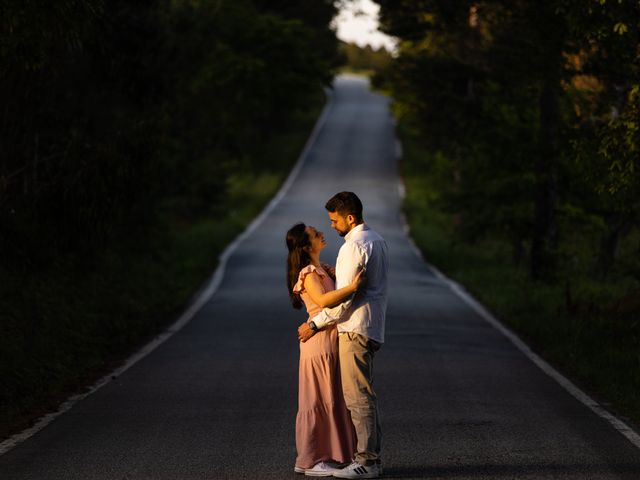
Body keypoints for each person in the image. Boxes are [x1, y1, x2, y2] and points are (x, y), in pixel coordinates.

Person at [298, 192, 389, 479]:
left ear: (350, 218)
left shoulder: (353, 247)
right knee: (363, 395)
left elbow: (344, 301)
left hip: (355, 328)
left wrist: (314, 325)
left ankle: (367, 462)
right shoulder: (377, 240)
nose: (333, 227)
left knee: (358, 397)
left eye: (335, 220)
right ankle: (368, 458)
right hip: (372, 327)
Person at [286, 222, 364, 477]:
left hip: (330, 339)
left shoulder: (322, 269)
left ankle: (330, 454)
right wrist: (352, 287)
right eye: (315, 234)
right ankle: (310, 459)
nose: (322, 234)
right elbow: (322, 301)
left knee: (331, 397)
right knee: (317, 399)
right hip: (318, 341)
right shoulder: (308, 273)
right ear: (307, 246)